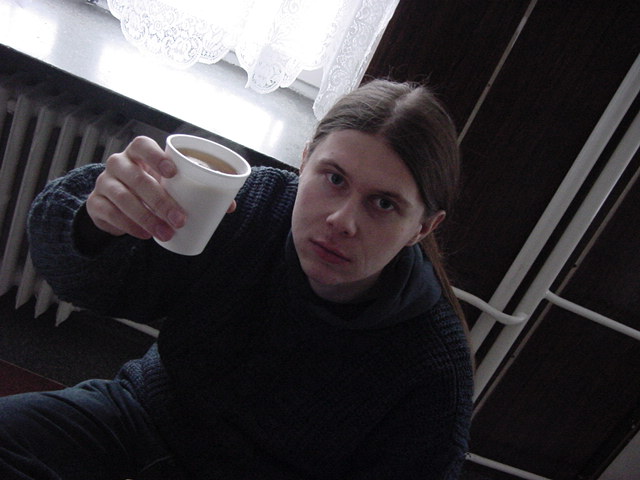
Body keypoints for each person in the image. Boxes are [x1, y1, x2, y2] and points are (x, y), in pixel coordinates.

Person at [0, 79, 474, 479]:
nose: (342, 221)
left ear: (423, 227)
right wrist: (96, 223)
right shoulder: (248, 207)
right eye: (333, 178)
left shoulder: (433, 366)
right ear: (304, 160)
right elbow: (92, 286)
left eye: (384, 204)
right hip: (143, 415)